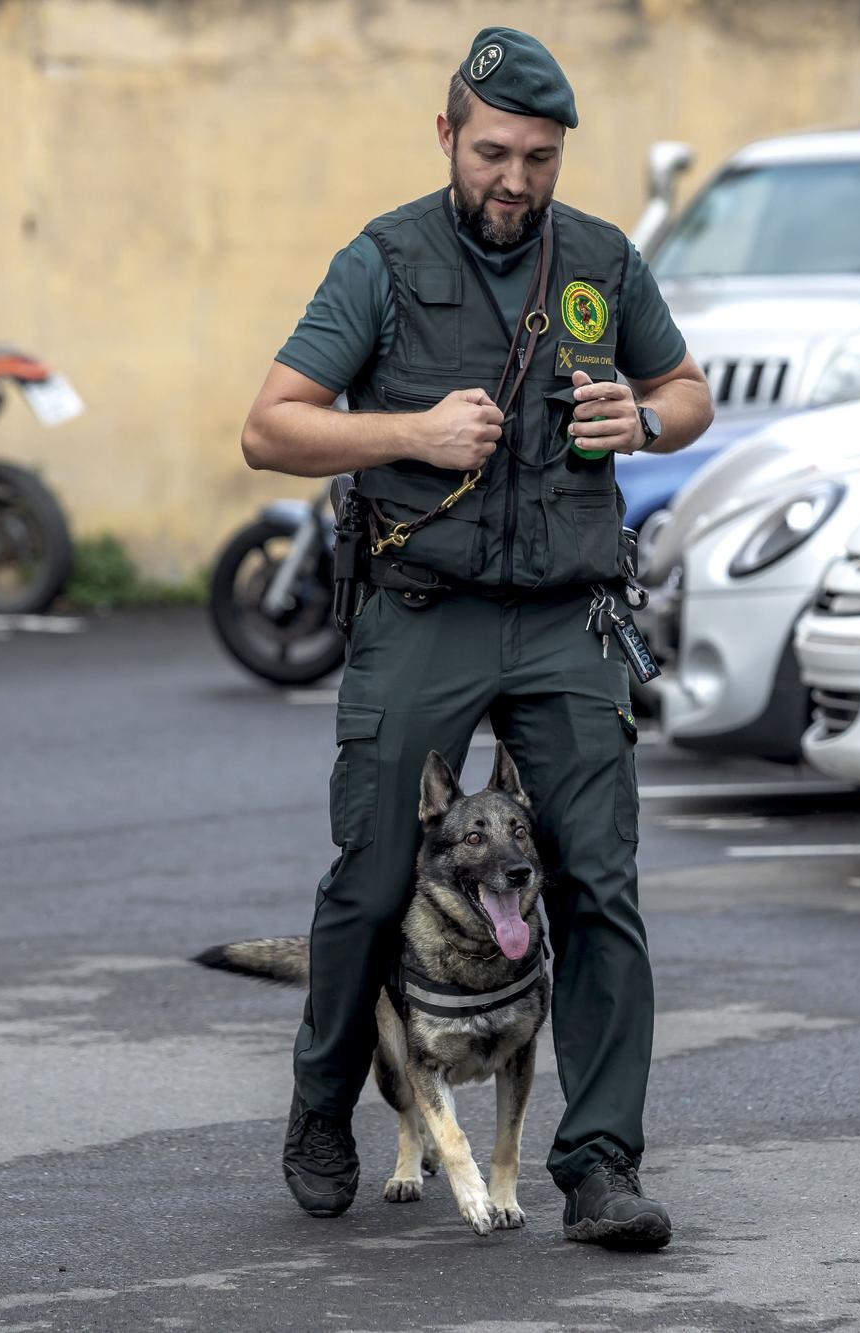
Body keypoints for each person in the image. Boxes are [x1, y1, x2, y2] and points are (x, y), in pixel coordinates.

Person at [239, 26, 712, 1250]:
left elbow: (687, 390)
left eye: (539, 158)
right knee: (372, 873)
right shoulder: (382, 261)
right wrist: (408, 432)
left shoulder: (601, 257)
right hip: (421, 611)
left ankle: (599, 1164)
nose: (515, 179)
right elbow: (272, 428)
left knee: (599, 883)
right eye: (493, 151)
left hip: (567, 618)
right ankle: (323, 1099)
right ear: (446, 135)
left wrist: (642, 419)